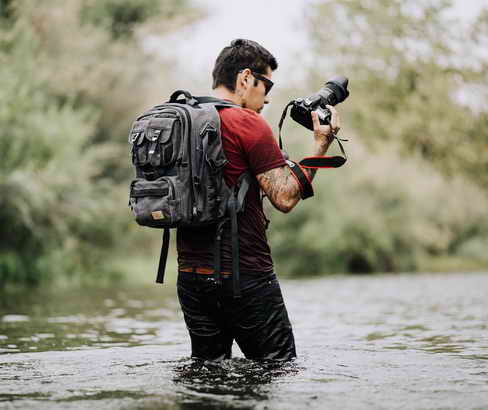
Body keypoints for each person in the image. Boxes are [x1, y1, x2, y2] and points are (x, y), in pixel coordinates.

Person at [176, 39, 341, 362]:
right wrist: (321, 144)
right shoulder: (247, 123)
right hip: (244, 277)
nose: (267, 97)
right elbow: (285, 197)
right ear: (245, 78)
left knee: (208, 375)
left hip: (190, 278)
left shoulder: (187, 121)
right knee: (278, 368)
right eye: (266, 85)